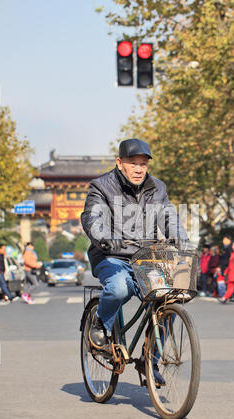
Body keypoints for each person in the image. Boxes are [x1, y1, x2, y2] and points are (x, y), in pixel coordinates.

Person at [81, 138, 188, 384]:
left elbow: (169, 216)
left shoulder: (158, 188)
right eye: (133, 163)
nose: (139, 169)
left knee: (168, 299)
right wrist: (105, 239)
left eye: (143, 164)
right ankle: (100, 325)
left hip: (146, 258)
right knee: (119, 287)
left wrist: (181, 239)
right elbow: (92, 218)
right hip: (111, 255)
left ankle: (149, 360)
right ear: (120, 163)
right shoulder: (101, 186)